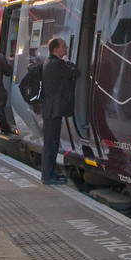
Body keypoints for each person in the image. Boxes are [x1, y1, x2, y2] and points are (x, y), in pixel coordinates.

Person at [40, 37, 80, 185]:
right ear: (56, 50)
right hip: (52, 109)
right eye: (64, 47)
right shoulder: (57, 64)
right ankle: (47, 176)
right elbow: (76, 73)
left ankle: (50, 173)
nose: (66, 49)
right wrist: (68, 61)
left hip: (51, 109)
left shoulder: (50, 62)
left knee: (52, 143)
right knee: (51, 144)